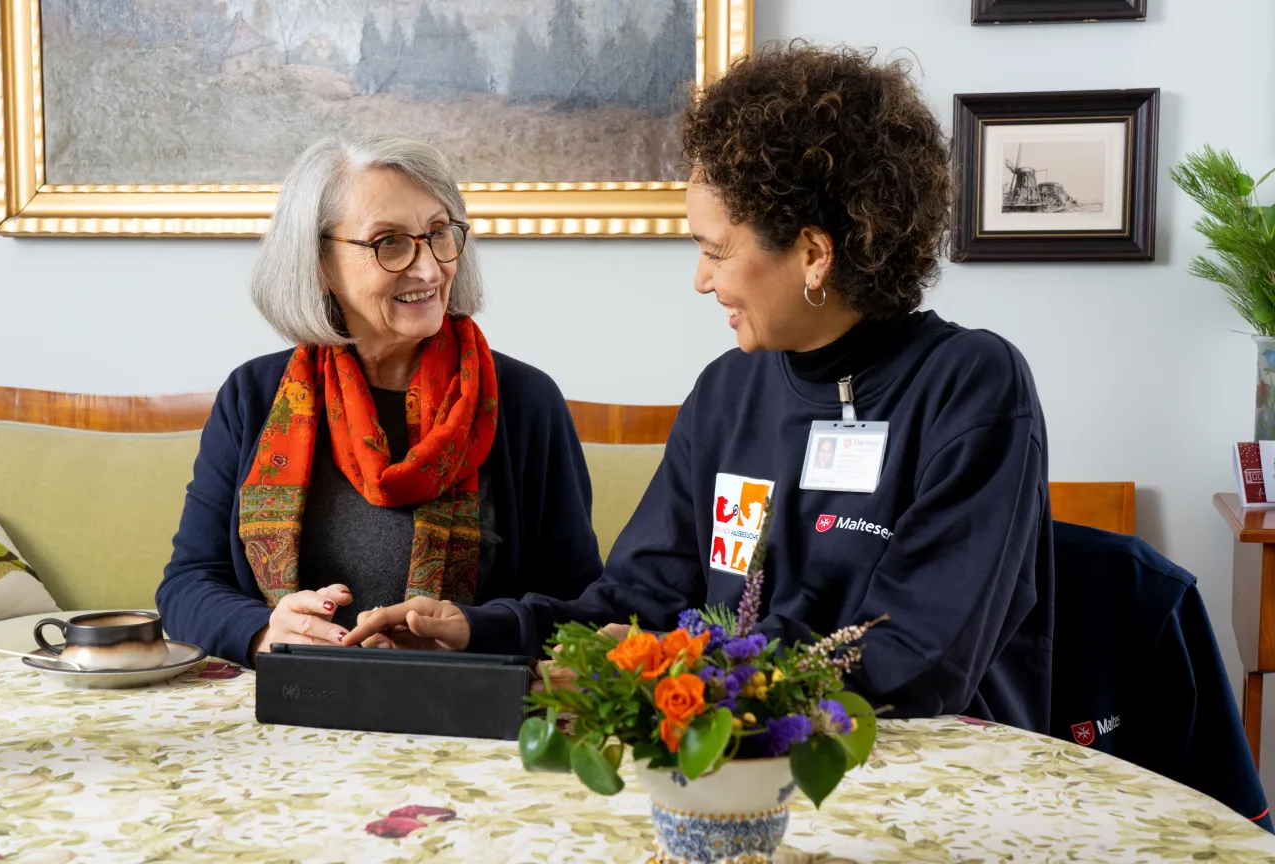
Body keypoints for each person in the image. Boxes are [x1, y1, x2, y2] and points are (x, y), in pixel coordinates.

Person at [345, 44, 1054, 731]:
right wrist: (480, 629)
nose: (702, 280)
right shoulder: (727, 391)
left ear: (813, 253)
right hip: (731, 747)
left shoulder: (970, 387)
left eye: (716, 251)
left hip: (918, 770)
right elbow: (639, 602)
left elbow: (916, 662)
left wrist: (675, 670)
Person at [156, 132, 603, 667]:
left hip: (459, 714)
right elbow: (187, 584)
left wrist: (474, 631)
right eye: (388, 242)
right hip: (287, 709)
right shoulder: (252, 398)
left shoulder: (526, 403)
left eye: (439, 234)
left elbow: (582, 609)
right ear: (318, 262)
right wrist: (264, 632)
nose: (429, 268)